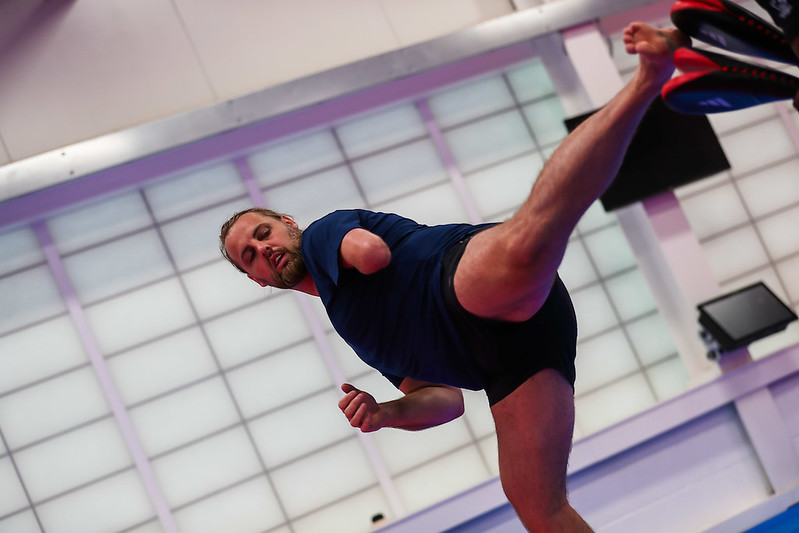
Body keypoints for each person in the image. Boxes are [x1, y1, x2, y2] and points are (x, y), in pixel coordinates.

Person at [220, 22, 687, 532]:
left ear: (287, 224)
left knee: (531, 234)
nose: (263, 248)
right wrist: (385, 413)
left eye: (263, 233)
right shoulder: (349, 322)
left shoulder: (321, 235)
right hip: (509, 364)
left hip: (461, 284)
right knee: (536, 504)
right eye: (251, 256)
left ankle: (648, 77)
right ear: (259, 280)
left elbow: (372, 253)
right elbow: (444, 401)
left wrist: (340, 247)